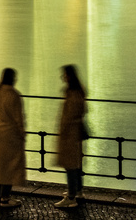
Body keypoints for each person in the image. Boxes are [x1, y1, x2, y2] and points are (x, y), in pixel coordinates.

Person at [0, 67, 27, 208]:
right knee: (9, 166)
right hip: (10, 134)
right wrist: (23, 135)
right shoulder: (14, 95)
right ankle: (5, 198)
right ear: (13, 79)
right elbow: (18, 119)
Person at [55, 64, 88, 208]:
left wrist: (63, 130)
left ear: (69, 76)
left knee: (70, 165)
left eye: (65, 75)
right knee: (76, 164)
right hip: (76, 132)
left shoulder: (73, 93)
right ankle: (78, 191)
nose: (63, 78)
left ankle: (71, 197)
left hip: (70, 134)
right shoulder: (79, 91)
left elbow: (70, 115)